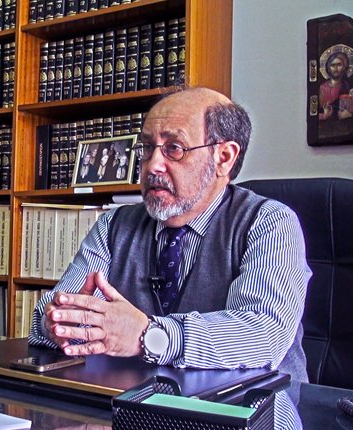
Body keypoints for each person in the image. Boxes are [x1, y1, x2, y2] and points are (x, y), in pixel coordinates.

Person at [29, 87, 311, 386]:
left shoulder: (269, 222)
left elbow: (262, 334)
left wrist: (148, 336)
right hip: (137, 400)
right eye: (147, 148)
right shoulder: (114, 224)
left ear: (224, 158)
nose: (152, 165)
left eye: (174, 148)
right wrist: (59, 322)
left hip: (250, 404)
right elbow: (47, 318)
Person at [319, 51, 351, 120]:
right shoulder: (322, 88)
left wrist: (349, 114)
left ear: (344, 67)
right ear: (328, 68)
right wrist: (324, 116)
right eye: (333, 65)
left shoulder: (347, 87)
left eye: (339, 65)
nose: (335, 68)